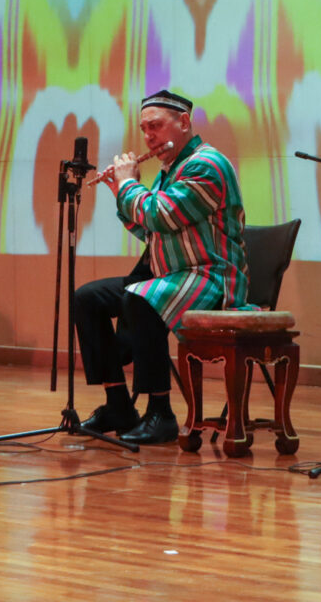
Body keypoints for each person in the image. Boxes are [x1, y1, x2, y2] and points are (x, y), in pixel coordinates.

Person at [72, 89, 249, 445]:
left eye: (155, 126)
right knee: (87, 299)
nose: (148, 136)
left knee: (142, 298)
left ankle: (161, 413)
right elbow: (149, 229)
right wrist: (120, 193)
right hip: (174, 275)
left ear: (184, 122)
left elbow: (160, 214)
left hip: (211, 276)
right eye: (144, 128)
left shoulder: (206, 164)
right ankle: (119, 404)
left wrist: (129, 185)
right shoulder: (170, 170)